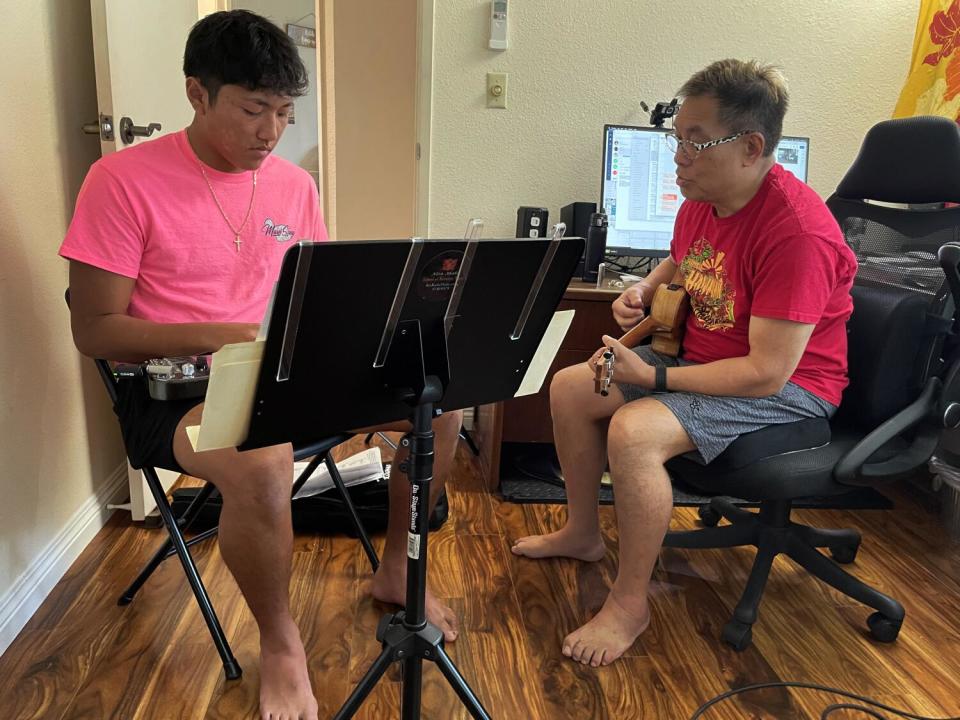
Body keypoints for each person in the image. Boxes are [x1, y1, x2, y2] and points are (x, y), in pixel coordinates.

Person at [60, 11, 461, 720]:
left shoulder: (291, 186)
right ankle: (281, 647)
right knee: (264, 460)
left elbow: (314, 293)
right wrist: (227, 333)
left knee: (442, 401)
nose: (271, 131)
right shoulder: (119, 181)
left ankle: (396, 564)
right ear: (197, 93)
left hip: (283, 374)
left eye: (283, 111)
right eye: (252, 110)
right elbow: (95, 331)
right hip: (171, 390)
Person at [512, 59, 858, 668]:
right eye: (679, 138)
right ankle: (584, 534)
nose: (680, 154)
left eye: (696, 141)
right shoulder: (703, 198)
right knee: (571, 386)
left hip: (791, 387)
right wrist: (643, 290)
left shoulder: (798, 234)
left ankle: (629, 604)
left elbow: (767, 372)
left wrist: (653, 378)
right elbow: (684, 260)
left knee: (635, 429)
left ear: (751, 147)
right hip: (709, 358)